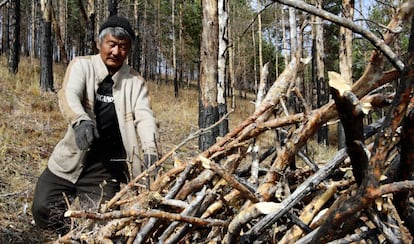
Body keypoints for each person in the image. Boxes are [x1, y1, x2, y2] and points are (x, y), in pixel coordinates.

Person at [32, 15, 159, 233]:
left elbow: (145, 117)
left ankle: (82, 236)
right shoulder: (82, 66)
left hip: (105, 168)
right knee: (42, 207)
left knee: (100, 226)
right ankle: (68, 234)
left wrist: (150, 150)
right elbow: (68, 94)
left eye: (123, 47)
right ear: (99, 43)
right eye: (111, 44)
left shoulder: (135, 82)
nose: (116, 52)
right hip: (71, 158)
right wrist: (80, 120)